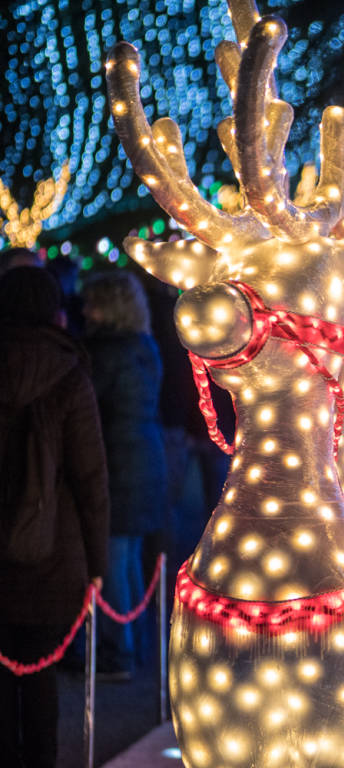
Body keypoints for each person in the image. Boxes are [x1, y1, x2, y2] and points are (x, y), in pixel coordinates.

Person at [0, 266, 109, 768]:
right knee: (40, 677)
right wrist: (97, 563)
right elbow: (91, 478)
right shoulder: (69, 371)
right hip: (52, 551)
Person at [81, 270, 168, 680]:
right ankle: (133, 644)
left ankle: (120, 652)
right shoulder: (145, 345)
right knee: (129, 558)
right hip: (145, 455)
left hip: (117, 460)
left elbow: (91, 405)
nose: (84, 308)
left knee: (115, 559)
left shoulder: (105, 352)